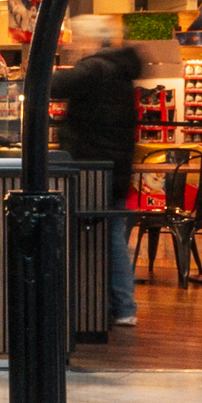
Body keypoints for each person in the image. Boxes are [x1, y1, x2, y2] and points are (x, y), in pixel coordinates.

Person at [49, 17, 149, 328]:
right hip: (115, 166)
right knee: (112, 233)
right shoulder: (118, 69)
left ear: (91, 40)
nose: (73, 44)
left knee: (108, 236)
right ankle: (116, 304)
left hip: (93, 166)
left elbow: (52, 86)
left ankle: (118, 305)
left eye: (77, 38)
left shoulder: (94, 68)